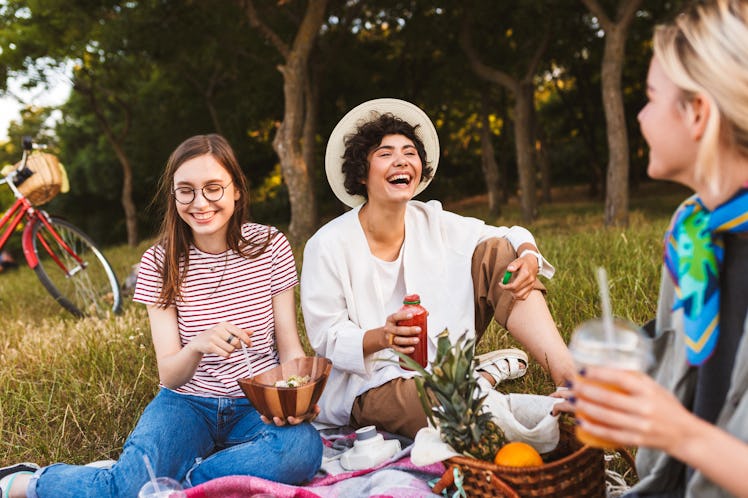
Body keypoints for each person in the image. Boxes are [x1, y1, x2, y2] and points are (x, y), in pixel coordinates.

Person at [0, 134, 322, 498]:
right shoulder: (159, 262)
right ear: (173, 196)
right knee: (128, 486)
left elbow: (290, 347)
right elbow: (170, 372)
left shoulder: (270, 246)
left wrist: (298, 397)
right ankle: (30, 481)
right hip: (187, 402)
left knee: (301, 450)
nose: (200, 202)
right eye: (186, 190)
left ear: (236, 190)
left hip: (257, 404)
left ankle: (170, 486)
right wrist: (197, 345)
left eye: (213, 188)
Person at [301, 98, 575, 439]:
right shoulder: (326, 245)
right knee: (457, 415)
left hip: (440, 357)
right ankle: (537, 419)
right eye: (385, 153)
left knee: (499, 253)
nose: (401, 159)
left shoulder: (431, 218)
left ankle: (570, 380)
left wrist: (529, 255)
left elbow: (507, 237)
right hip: (371, 382)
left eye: (410, 152)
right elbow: (327, 337)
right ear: (361, 172)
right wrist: (382, 337)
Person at [567, 1, 748, 496]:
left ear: (697, 114)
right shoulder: (692, 232)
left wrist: (677, 432)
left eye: (649, 97)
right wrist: (618, 376)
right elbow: (696, 355)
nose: (641, 116)